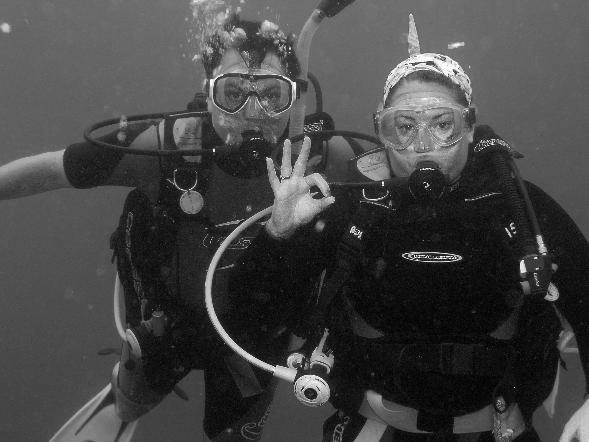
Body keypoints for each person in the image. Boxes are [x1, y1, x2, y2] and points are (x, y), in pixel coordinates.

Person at [229, 15, 589, 442]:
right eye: (403, 127)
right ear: (382, 132)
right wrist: (278, 235)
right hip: (371, 427)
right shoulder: (350, 209)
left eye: (442, 124)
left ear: (470, 127)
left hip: (498, 432)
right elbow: (251, 316)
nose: (422, 146)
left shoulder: (516, 209)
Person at [0, 13, 358, 442]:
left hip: (259, 338)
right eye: (232, 93)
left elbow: (404, 161)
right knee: (136, 396)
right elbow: (55, 170)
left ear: (294, 99)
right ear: (208, 95)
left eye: (270, 94)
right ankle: (124, 402)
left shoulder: (318, 157)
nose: (252, 112)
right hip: (170, 327)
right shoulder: (166, 149)